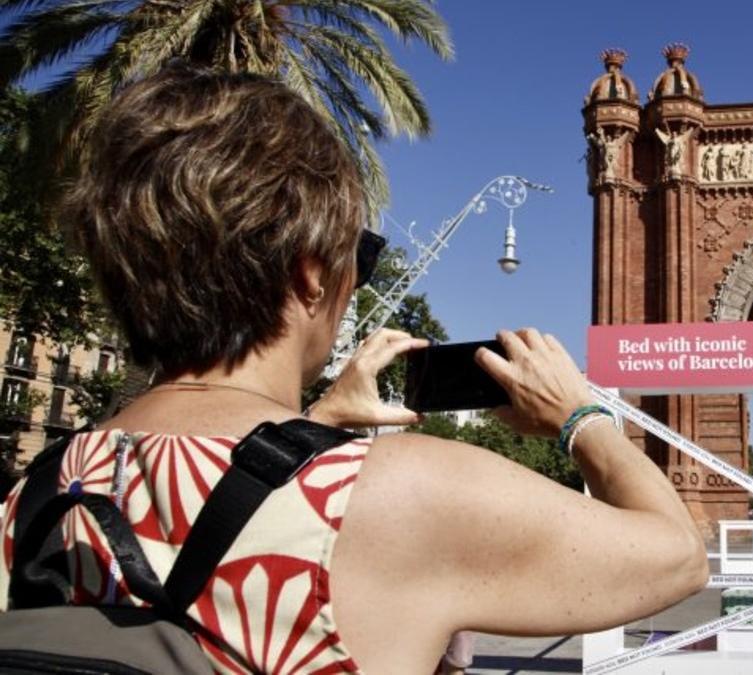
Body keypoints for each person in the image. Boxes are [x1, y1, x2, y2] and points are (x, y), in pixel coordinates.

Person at [0, 66, 710, 674]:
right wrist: (579, 416)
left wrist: (311, 428)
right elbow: (678, 555)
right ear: (311, 274)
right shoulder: (396, 494)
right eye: (359, 259)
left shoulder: (30, 495)